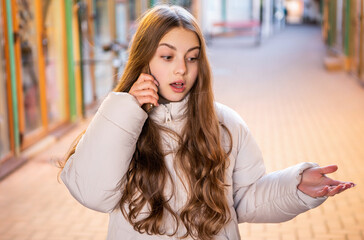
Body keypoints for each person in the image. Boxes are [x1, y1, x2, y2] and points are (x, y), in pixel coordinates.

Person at [59, 5, 355, 240]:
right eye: (167, 56)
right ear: (144, 59)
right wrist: (127, 110)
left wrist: (295, 187)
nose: (181, 70)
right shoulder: (120, 122)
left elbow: (244, 199)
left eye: (192, 58)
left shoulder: (226, 124)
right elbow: (92, 193)